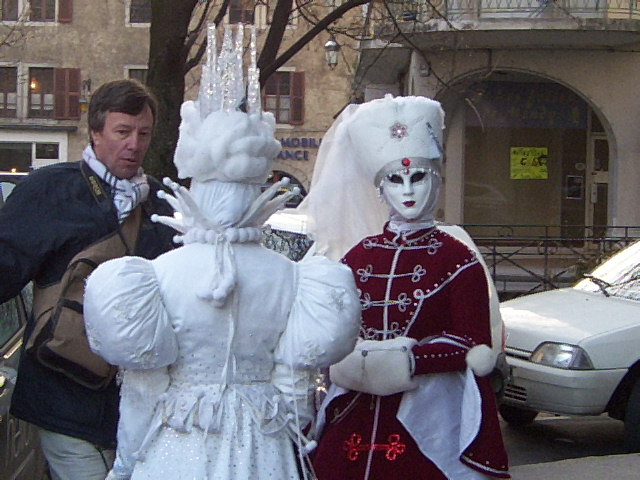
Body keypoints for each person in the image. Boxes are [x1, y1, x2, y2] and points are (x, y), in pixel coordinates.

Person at [82, 25, 361, 480]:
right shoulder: (294, 277)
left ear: (196, 181)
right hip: (263, 448)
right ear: (257, 187)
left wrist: (126, 464)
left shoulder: (156, 277)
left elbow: (143, 392)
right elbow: (294, 395)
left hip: (177, 445)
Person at [300, 94, 511, 479]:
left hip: (429, 409)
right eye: (395, 179)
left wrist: (409, 360)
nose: (408, 190)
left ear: (437, 179)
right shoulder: (359, 256)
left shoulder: (457, 257)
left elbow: (474, 340)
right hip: (355, 410)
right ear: (380, 188)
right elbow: (331, 331)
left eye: (419, 177)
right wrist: (349, 362)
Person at [0, 79, 176, 480]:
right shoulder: (50, 190)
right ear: (95, 132)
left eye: (143, 134)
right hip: (61, 397)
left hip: (139, 406)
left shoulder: (163, 204)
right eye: (122, 132)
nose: (134, 144)